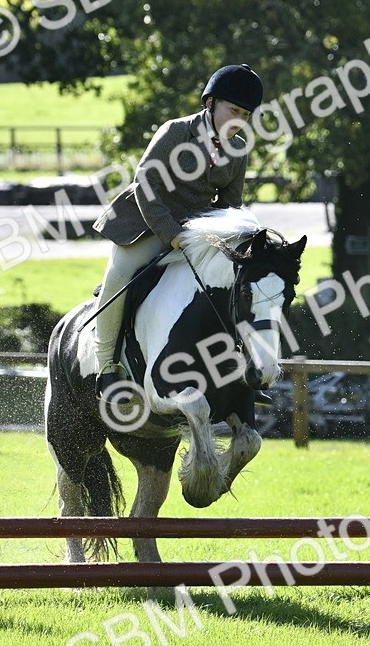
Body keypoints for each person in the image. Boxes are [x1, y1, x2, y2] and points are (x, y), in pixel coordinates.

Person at [90, 64, 263, 397]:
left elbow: (230, 206)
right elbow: (146, 183)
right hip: (147, 223)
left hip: (196, 232)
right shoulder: (175, 132)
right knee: (119, 279)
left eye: (245, 113)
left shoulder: (238, 149)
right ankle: (106, 368)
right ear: (210, 102)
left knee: (233, 286)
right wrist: (171, 233)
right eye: (233, 110)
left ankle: (237, 370)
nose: (238, 119)